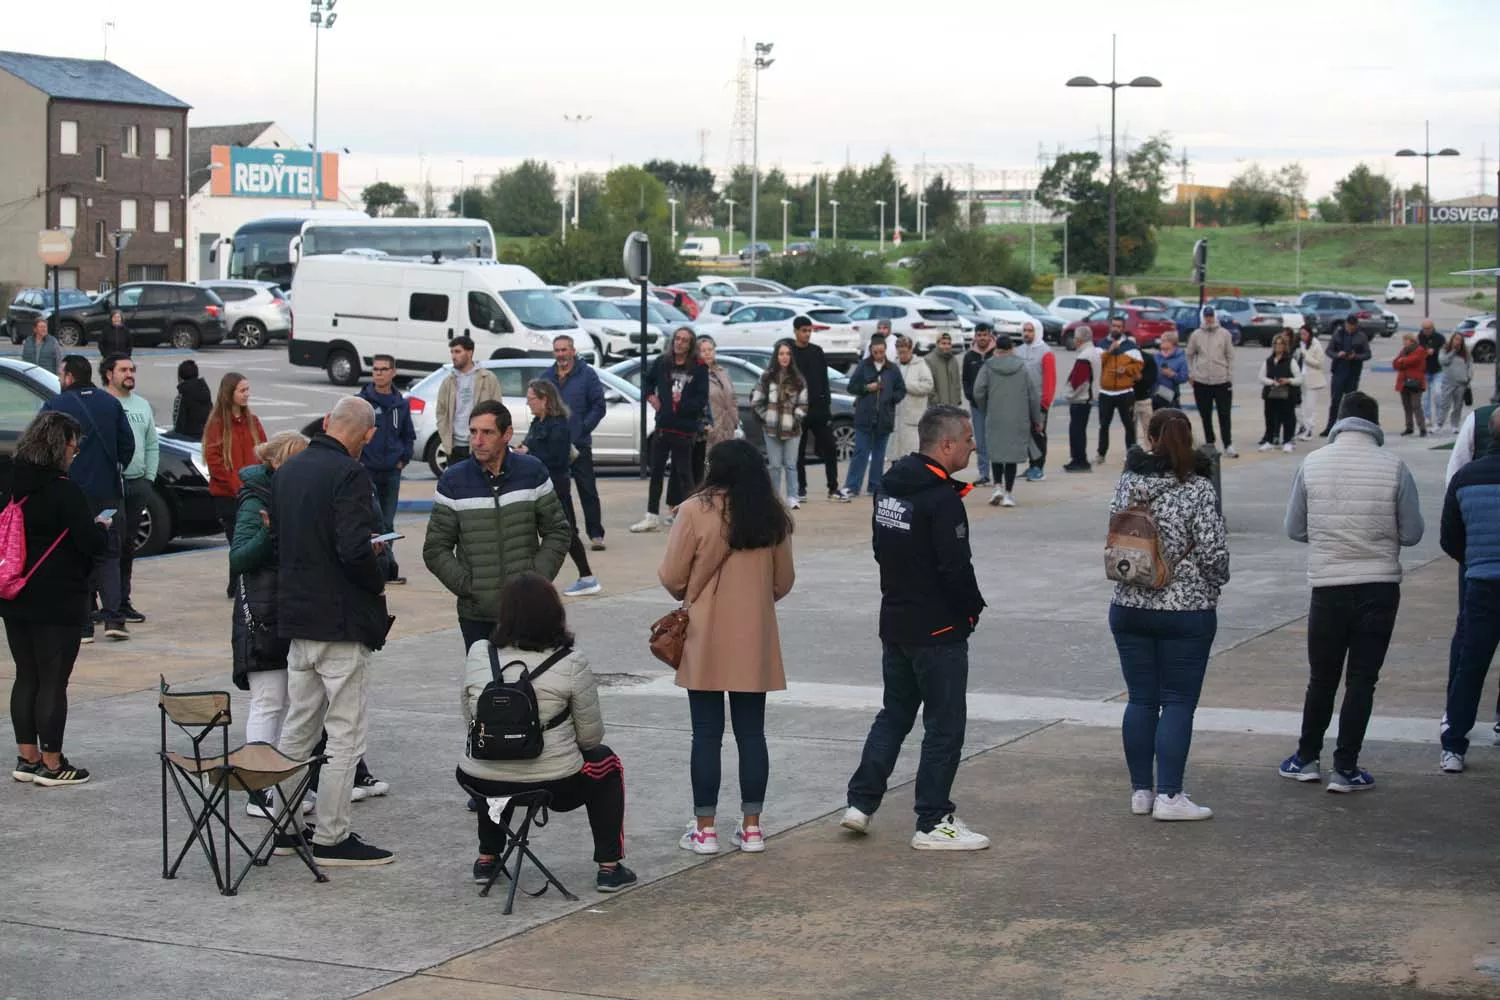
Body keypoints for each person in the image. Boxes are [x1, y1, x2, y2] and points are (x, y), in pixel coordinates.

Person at [842, 405, 989, 849]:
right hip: (938, 630)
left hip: (897, 621)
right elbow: (955, 568)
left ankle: (860, 803)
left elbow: (879, 548)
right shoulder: (941, 498)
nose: (972, 446)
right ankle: (933, 820)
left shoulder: (889, 487)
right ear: (946, 444)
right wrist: (970, 611)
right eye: (967, 439)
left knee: (895, 714)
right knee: (945, 725)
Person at [272, 397, 394, 866]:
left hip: (299, 619)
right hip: (340, 621)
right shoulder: (350, 474)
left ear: (326, 422)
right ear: (366, 436)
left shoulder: (289, 471)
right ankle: (332, 835)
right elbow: (352, 548)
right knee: (345, 733)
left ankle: (285, 825)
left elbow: (282, 542)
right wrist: (376, 570)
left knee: (298, 727)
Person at [457, 572, 636, 891]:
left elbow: (469, 716)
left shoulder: (480, 653)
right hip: (553, 782)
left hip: (479, 779)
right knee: (607, 764)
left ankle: (487, 858)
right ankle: (609, 866)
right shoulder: (571, 661)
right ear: (555, 614)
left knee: (494, 756)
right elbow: (590, 738)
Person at [1281, 391, 1423, 792]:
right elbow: (1412, 533)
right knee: (1362, 679)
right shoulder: (1394, 467)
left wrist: (1328, 537)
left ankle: (1306, 758)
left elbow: (1294, 528)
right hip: (1379, 586)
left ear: (1339, 420)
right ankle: (1346, 768)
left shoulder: (1312, 463)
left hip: (1328, 585)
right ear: (1374, 424)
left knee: (1322, 678)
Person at [659, 439, 795, 856]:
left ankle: (705, 829)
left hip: (705, 633)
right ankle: (752, 826)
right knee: (752, 733)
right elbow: (783, 582)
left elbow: (671, 576)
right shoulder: (772, 513)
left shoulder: (694, 510)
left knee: (706, 734)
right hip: (754, 634)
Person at [1109, 408, 1230, 821]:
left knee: (1141, 700)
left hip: (1130, 604)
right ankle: (1171, 796)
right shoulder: (1198, 488)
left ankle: (1141, 791)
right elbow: (1215, 553)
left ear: (1151, 437)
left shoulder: (1129, 482)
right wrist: (1213, 583)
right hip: (1187, 610)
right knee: (1178, 701)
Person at [4, 411, 109, 787]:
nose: (75, 450)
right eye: (72, 444)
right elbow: (90, 543)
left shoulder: (10, 481)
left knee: (26, 675)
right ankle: (52, 762)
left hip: (13, 592)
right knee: (53, 680)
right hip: (58, 595)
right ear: (58, 445)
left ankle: (26, 757)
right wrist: (102, 528)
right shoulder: (65, 491)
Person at [424, 399, 573, 651]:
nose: (477, 440)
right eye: (473, 432)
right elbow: (435, 549)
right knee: (485, 686)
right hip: (477, 615)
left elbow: (557, 531)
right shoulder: (453, 480)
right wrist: (468, 586)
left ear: (507, 434)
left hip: (527, 611)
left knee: (528, 685)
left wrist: (535, 579)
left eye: (487, 432)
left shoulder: (533, 472)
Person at [229, 430, 310, 819]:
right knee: (268, 702)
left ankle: (277, 786)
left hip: (285, 612)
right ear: (279, 462)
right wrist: (269, 530)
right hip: (262, 617)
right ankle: (256, 790)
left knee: (289, 704)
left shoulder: (285, 497)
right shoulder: (255, 500)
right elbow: (239, 557)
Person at [40, 355, 134, 642]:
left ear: (69, 377)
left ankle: (83, 625)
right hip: (107, 492)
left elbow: (41, 448)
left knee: (76, 555)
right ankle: (115, 618)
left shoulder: (55, 407)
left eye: (60, 373)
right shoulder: (110, 403)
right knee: (109, 554)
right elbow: (127, 446)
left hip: (71, 493)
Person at [1440, 407, 1500, 776]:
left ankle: (1454, 744)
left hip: (1480, 583)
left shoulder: (1464, 479)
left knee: (1471, 664)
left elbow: (1450, 538)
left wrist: (1475, 559)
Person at [516, 379, 599, 597]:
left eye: (531, 399)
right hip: (538, 486)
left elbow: (558, 458)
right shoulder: (538, 423)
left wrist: (529, 454)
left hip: (555, 486)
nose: (529, 404)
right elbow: (532, 445)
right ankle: (580, 577)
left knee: (566, 532)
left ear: (544, 399)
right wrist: (523, 449)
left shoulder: (559, 424)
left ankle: (586, 577)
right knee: (553, 531)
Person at [631, 327, 708, 532]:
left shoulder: (699, 368)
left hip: (684, 428)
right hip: (663, 426)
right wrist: (652, 397)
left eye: (684, 340)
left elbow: (702, 399)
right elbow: (646, 382)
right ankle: (651, 515)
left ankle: (692, 516)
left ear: (690, 345)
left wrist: (682, 404)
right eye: (677, 339)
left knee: (685, 474)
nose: (679, 343)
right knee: (655, 471)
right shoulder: (662, 363)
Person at [102, 355, 157, 624]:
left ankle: (123, 601)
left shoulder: (142, 406)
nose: (129, 373)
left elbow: (151, 444)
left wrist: (148, 479)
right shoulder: (102, 404)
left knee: (127, 546)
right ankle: (97, 604)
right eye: (123, 369)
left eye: (132, 369)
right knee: (104, 545)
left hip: (137, 483)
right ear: (108, 374)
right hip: (109, 485)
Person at [203, 372, 267, 599]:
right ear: (229, 393)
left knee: (250, 539)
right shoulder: (217, 424)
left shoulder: (253, 421)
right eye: (242, 390)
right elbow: (215, 461)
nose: (247, 394)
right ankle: (237, 584)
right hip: (229, 495)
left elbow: (264, 451)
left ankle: (239, 584)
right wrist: (237, 487)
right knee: (237, 540)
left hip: (252, 493)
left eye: (248, 389)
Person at [542, 334, 608, 550]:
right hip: (556, 446)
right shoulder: (547, 377)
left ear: (573, 351)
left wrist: (582, 429)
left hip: (579, 444)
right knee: (561, 492)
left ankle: (596, 534)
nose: (561, 354)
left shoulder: (587, 375)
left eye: (564, 350)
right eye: (557, 350)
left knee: (587, 489)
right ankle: (570, 532)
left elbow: (599, 406)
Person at [358, 354, 415, 585]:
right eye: (376, 369)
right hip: (367, 471)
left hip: (392, 471)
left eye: (384, 369)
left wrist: (403, 459)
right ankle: (374, 567)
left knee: (388, 522)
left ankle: (388, 567)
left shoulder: (400, 404)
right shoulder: (362, 402)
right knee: (371, 521)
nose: (379, 373)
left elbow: (408, 435)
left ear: (393, 372)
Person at [973, 334, 1041, 507]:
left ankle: (997, 487)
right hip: (1017, 418)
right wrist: (1036, 419)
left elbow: (978, 391)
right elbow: (1033, 396)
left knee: (996, 452)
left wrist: (986, 408)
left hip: (995, 416)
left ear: (997, 349)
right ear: (1011, 349)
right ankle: (1008, 494)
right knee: (1010, 456)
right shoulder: (1022, 367)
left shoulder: (988, 366)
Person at [839, 334, 906, 500]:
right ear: (871, 351)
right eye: (876, 352)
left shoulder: (892, 369)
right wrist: (866, 388)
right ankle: (852, 486)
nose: (879, 355)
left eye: (882, 352)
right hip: (865, 418)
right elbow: (851, 387)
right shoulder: (863, 366)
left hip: (884, 418)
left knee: (878, 455)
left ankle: (874, 486)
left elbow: (901, 389)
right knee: (860, 453)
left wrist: (891, 398)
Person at [750, 339, 808, 508]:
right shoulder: (767, 377)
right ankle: (774, 498)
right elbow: (756, 401)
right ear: (776, 356)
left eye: (788, 354)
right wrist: (767, 416)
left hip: (793, 430)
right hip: (771, 429)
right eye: (781, 354)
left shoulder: (798, 379)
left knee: (791, 465)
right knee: (774, 466)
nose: (784, 357)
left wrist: (795, 418)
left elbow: (804, 404)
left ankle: (792, 497)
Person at [791, 315, 841, 502]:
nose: (807, 334)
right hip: (799, 410)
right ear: (796, 331)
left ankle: (833, 488)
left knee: (830, 447)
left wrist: (826, 404)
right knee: (799, 451)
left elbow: (824, 380)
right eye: (804, 331)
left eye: (809, 331)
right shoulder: (791, 353)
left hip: (819, 410)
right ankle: (801, 489)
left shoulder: (817, 351)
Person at [436, 336, 502, 466]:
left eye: (458, 351)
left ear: (470, 353)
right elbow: (441, 412)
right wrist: (446, 437)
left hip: (480, 444)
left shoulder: (487, 378)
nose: (454, 356)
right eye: (452, 352)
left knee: (479, 484)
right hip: (455, 446)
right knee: (457, 484)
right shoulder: (448, 382)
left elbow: (498, 410)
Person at [1186, 306, 1237, 457]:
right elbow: (1189, 354)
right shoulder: (1196, 335)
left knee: (1224, 414)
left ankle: (1228, 444)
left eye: (1211, 316)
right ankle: (1210, 442)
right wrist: (1191, 373)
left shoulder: (1224, 334)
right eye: (1206, 316)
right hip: (1202, 382)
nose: (1209, 319)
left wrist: (1230, 377)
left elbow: (1231, 356)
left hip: (1221, 381)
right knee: (1205, 414)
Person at [1096, 316, 1143, 467]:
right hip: (1106, 392)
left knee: (1129, 425)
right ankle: (1101, 453)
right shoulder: (1102, 344)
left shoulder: (1130, 346)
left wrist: (1127, 369)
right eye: (1113, 326)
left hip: (1125, 392)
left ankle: (1131, 454)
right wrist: (1109, 351)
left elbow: (1140, 365)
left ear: (1123, 328)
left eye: (1118, 326)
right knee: (1104, 425)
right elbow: (1097, 363)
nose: (1115, 329)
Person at [1014, 321, 1057, 481]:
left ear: (1037, 332)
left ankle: (1039, 467)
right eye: (1024, 330)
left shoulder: (1046, 352)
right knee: (1027, 435)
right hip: (1022, 402)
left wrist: (1045, 402)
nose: (1026, 334)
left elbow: (1050, 380)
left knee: (1038, 434)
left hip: (1039, 402)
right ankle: (1032, 465)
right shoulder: (1019, 351)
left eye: (1030, 331)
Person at [1320, 314, 1371, 437]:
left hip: (1353, 373)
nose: (1350, 328)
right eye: (1348, 326)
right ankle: (1330, 427)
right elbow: (1329, 350)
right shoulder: (1338, 334)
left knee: (1351, 402)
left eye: (1353, 327)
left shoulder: (1361, 336)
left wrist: (1356, 356)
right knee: (1335, 401)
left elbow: (1367, 354)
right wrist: (1338, 354)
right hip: (1339, 371)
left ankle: (1349, 428)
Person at [961, 323, 997, 484]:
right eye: (979, 335)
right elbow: (965, 380)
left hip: (995, 406)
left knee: (996, 440)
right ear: (975, 336)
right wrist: (971, 396)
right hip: (977, 407)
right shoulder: (969, 357)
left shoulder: (996, 354)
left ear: (990, 335)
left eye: (985, 335)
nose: (982, 338)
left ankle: (998, 474)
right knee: (980, 441)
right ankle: (984, 473)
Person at [1063, 328, 1101, 473]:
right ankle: (1079, 459)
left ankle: (1079, 460)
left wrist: (1069, 395)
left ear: (1079, 340)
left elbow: (1078, 381)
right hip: (1088, 397)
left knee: (1076, 431)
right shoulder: (1094, 352)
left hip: (1081, 399)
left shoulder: (1084, 356)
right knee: (1080, 430)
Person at [891, 335, 934, 463]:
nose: (902, 355)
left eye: (904, 352)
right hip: (896, 418)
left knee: (912, 455)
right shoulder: (894, 367)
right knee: (895, 456)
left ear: (911, 350)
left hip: (913, 419)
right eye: (899, 352)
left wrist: (906, 386)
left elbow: (928, 385)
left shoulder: (921, 365)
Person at [1257, 333, 1303, 453]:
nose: (1278, 346)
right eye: (1276, 344)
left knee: (1288, 418)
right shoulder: (1269, 361)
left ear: (1284, 346)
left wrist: (1288, 380)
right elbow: (1261, 377)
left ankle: (1288, 441)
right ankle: (1270, 441)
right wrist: (1271, 382)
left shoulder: (1290, 361)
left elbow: (1299, 379)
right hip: (1271, 394)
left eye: (1281, 344)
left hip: (1286, 394)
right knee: (1270, 418)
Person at [697, 335, 740, 450]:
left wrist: (735, 419)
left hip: (728, 427)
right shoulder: (696, 375)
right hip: (710, 430)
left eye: (710, 350)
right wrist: (704, 425)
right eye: (703, 351)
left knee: (726, 463)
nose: (707, 353)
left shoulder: (722, 372)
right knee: (707, 464)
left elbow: (733, 398)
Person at [1392, 331, 1429, 437]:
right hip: (1403, 382)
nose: (1404, 342)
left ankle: (1422, 428)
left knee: (1416, 405)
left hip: (1415, 383)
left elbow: (1412, 361)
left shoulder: (1420, 350)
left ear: (1412, 341)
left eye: (1405, 340)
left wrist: (1402, 361)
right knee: (1406, 406)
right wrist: (1401, 361)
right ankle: (1409, 427)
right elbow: (1395, 363)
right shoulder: (1403, 351)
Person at [1294, 326, 1326, 440]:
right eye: (1301, 334)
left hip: (1313, 380)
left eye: (1305, 334)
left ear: (1310, 334)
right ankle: (1302, 427)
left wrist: (1306, 356)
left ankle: (1309, 430)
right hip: (1300, 378)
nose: (1302, 336)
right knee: (1299, 405)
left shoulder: (1315, 344)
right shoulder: (1299, 344)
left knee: (1310, 407)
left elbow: (1319, 363)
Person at [1437, 333, 1471, 435]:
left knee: (1458, 405)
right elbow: (1443, 361)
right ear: (1452, 340)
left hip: (1461, 383)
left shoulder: (1465, 353)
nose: (1457, 341)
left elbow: (1469, 366)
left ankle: (1455, 425)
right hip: (1448, 382)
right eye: (1455, 339)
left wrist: (1468, 378)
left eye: (1459, 340)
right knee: (1444, 404)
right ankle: (1439, 424)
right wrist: (1453, 352)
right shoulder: (1445, 350)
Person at [171, 359, 212, 441]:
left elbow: (178, 424)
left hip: (188, 438)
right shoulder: (205, 391)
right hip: (206, 435)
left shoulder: (182, 396)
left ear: (180, 378)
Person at [1417, 318, 1446, 432]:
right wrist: (1425, 352)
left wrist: (1435, 351)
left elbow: (1444, 351)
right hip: (1424, 371)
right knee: (1425, 397)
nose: (1426, 331)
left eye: (1428, 328)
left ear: (1433, 328)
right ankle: (1427, 417)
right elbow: (1417, 351)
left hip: (1437, 370)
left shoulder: (1439, 338)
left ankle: (1439, 418)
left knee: (1438, 394)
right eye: (1424, 328)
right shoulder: (1419, 338)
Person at [925, 330, 964, 407]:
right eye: (943, 343)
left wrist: (958, 399)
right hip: (937, 405)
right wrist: (935, 400)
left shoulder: (953, 359)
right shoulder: (929, 360)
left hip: (953, 405)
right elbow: (928, 384)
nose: (946, 346)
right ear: (937, 344)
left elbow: (957, 382)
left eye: (949, 344)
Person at [1153, 331, 1189, 411]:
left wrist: (1172, 374)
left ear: (1174, 345)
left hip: (1170, 395)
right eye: (1162, 344)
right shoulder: (1156, 356)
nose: (1164, 349)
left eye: (1167, 348)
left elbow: (1184, 378)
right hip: (1154, 394)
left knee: (1171, 420)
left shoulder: (1181, 358)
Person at [1131, 345, 1159, 446]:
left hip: (1144, 397)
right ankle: (1132, 451)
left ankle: (1150, 450)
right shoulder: (1122, 357)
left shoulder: (1147, 358)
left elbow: (1153, 377)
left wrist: (1141, 378)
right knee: (1130, 428)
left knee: (1148, 427)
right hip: (1128, 399)